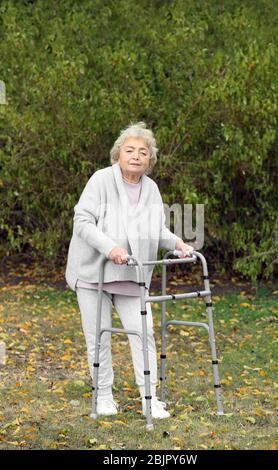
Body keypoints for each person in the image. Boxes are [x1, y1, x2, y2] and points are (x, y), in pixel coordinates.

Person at [65, 121, 193, 419]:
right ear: (118, 154)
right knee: (98, 336)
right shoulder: (100, 180)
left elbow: (156, 229)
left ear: (150, 159)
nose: (136, 156)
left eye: (143, 152)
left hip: (130, 275)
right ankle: (104, 396)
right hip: (93, 272)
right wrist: (111, 248)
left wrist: (178, 244)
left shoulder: (151, 189)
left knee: (143, 331)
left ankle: (150, 398)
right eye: (130, 150)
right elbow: (82, 222)